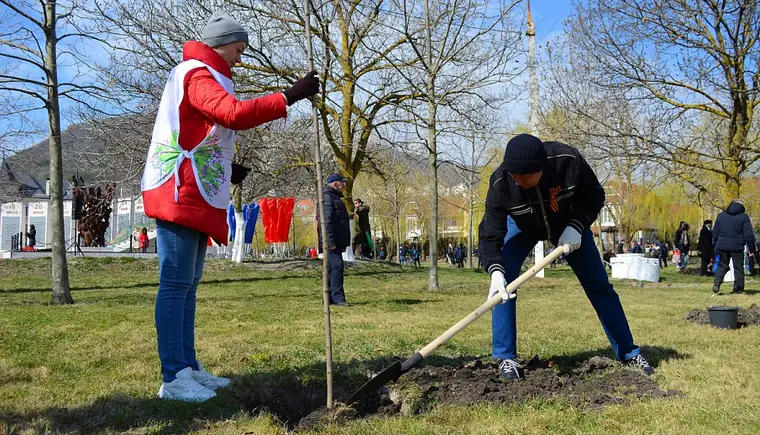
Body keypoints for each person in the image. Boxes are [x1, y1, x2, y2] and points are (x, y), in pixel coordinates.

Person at [140, 13, 319, 403]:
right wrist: (289, 95)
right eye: (238, 50)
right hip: (178, 190)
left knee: (187, 286)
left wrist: (225, 166)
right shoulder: (198, 74)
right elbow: (231, 114)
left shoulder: (205, 73)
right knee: (175, 285)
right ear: (221, 44)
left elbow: (200, 128)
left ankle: (188, 367)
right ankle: (173, 377)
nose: (239, 59)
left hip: (192, 189)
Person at [479, 133, 653, 380]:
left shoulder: (567, 160)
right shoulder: (501, 183)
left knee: (600, 286)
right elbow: (490, 233)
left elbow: (594, 196)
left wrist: (577, 225)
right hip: (521, 225)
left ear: (539, 169)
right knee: (503, 287)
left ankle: (628, 352)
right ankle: (506, 358)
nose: (516, 181)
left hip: (567, 223)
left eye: (522, 175)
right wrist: (495, 269)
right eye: (512, 174)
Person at [317, 173, 351, 306]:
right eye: (342, 182)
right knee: (337, 267)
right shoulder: (327, 198)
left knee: (333, 268)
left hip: (337, 240)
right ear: (336, 184)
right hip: (331, 241)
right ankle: (338, 298)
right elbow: (326, 221)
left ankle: (330, 297)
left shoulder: (334, 198)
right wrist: (329, 241)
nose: (344, 185)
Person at [712, 200, 756, 294]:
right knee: (738, 267)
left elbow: (715, 232)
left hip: (722, 245)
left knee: (722, 265)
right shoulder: (743, 217)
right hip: (737, 246)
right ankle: (738, 289)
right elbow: (748, 235)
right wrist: (752, 249)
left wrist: (715, 245)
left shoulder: (721, 216)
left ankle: (717, 282)